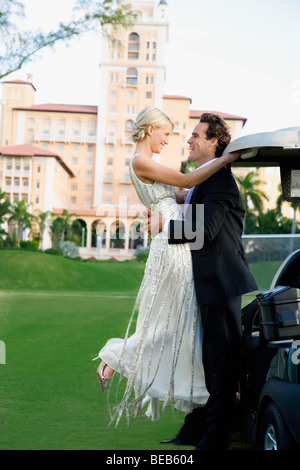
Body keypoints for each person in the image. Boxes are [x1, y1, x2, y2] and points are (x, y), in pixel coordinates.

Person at [93, 107, 241, 426]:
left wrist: (189, 194)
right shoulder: (140, 160)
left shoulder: (150, 164)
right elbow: (187, 179)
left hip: (175, 241)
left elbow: (182, 191)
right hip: (173, 246)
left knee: (180, 323)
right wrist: (227, 159)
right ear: (150, 130)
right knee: (173, 323)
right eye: (166, 133)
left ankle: (208, 392)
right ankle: (117, 359)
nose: (170, 140)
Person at [147, 113, 258, 450]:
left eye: (196, 135)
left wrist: (162, 227)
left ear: (214, 142)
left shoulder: (221, 182)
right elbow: (189, 204)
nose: (189, 140)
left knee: (220, 365)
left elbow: (203, 231)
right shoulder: (202, 183)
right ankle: (196, 430)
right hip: (204, 282)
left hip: (220, 282)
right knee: (204, 359)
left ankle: (215, 439)